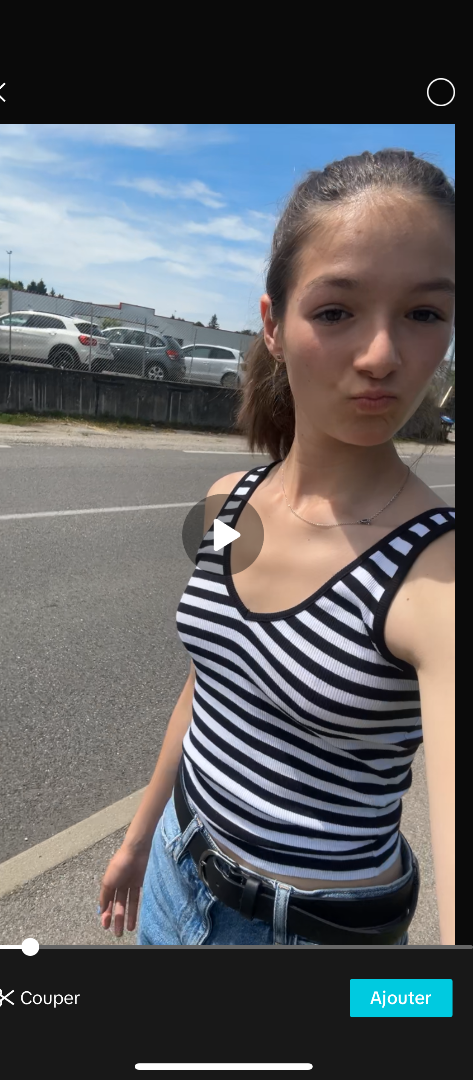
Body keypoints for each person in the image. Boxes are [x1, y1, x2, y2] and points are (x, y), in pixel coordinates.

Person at [99, 148, 455, 946]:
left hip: (310, 937)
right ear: (272, 323)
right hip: (174, 873)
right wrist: (137, 838)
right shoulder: (228, 504)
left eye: (423, 314)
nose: (381, 355)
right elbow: (209, 681)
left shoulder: (436, 573)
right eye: (335, 311)